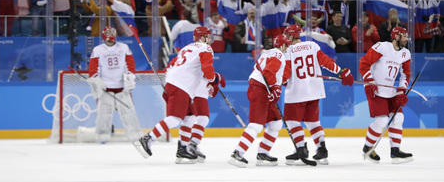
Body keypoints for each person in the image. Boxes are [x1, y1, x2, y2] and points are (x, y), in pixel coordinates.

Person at [134, 27, 225, 164]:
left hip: (177, 84)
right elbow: (207, 69)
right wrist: (214, 79)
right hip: (181, 85)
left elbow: (169, 66)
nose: (210, 39)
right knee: (174, 119)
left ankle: (183, 149)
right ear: (201, 38)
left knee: (190, 117)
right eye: (208, 36)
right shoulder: (205, 48)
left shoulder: (186, 48)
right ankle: (147, 139)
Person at [282, 24, 354, 165]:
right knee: (313, 122)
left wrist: (279, 83)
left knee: (292, 121)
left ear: (291, 36)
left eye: (286, 37)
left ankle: (301, 148)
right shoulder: (312, 46)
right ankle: (322, 149)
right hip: (314, 91)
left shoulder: (287, 51)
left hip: (296, 92)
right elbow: (326, 62)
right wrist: (340, 72)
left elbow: (285, 74)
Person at [228, 34, 291, 167]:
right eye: (287, 45)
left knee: (276, 123)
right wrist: (275, 88)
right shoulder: (278, 54)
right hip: (261, 89)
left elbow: (266, 72)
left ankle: (263, 154)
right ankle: (237, 154)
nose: (287, 48)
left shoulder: (267, 53)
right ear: (283, 44)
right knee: (256, 125)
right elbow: (268, 73)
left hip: (262, 88)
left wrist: (275, 87)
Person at [360, 26, 413, 164]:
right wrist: (370, 82)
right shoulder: (382, 47)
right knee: (382, 121)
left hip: (391, 90)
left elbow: (406, 74)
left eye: (407, 36)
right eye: (404, 36)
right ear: (396, 36)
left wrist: (402, 89)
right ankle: (368, 147)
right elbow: (364, 64)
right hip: (376, 89)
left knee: (399, 117)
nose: (407, 39)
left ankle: (395, 151)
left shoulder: (405, 53)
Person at [87, 26, 141, 143]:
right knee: (104, 114)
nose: (110, 40)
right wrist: (97, 82)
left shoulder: (124, 48)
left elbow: (130, 65)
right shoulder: (98, 50)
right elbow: (93, 70)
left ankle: (135, 135)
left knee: (129, 113)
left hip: (122, 88)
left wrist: (130, 77)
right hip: (106, 88)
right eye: (108, 37)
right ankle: (102, 137)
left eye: (112, 37)